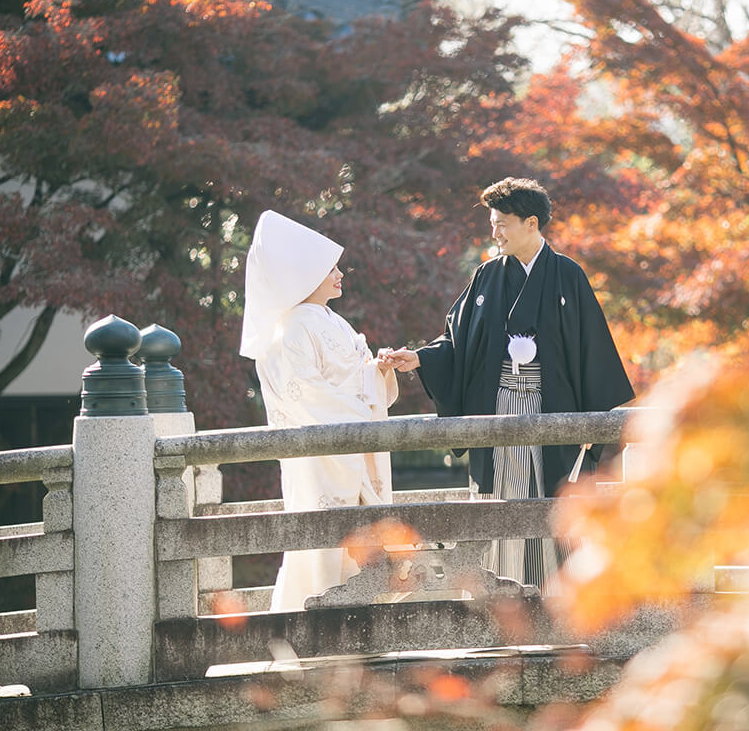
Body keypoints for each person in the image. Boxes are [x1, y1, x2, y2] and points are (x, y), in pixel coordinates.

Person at [385, 177, 635, 591]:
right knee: (499, 500)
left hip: (551, 411)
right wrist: (420, 359)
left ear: (531, 223)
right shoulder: (486, 277)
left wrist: (593, 428)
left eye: (502, 223)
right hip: (498, 407)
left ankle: (555, 598)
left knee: (552, 502)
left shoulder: (568, 276)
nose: (494, 232)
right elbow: (457, 341)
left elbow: (594, 351)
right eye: (492, 223)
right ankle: (498, 597)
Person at [240, 209, 399, 613]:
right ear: (305, 276)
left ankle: (359, 629)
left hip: (351, 444)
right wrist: (362, 406)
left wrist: (376, 372)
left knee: (360, 541)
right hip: (321, 454)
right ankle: (316, 623)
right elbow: (305, 394)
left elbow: (354, 378)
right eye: (330, 268)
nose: (340, 274)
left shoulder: (334, 321)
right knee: (325, 543)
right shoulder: (290, 328)